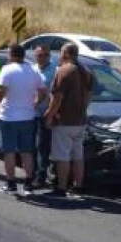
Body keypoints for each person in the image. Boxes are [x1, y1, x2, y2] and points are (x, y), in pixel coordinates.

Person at [0, 43, 46, 196]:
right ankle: (28, 185)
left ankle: (11, 183)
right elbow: (43, 91)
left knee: (9, 152)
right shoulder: (33, 70)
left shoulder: (7, 70)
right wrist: (35, 102)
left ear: (11, 55)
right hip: (28, 117)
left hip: (8, 117)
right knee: (27, 152)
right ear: (24, 55)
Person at [43, 42, 93, 199]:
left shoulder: (64, 71)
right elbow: (89, 96)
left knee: (62, 155)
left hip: (64, 120)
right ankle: (78, 186)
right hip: (80, 120)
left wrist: (50, 115)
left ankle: (61, 187)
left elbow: (57, 98)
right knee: (78, 155)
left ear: (65, 54)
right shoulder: (86, 72)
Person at [32, 45, 56, 188]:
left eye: (45, 55)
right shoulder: (33, 69)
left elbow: (55, 93)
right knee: (31, 145)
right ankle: (32, 172)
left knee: (42, 147)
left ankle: (41, 176)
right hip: (30, 113)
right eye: (40, 55)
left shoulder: (55, 70)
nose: (42, 58)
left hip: (45, 114)